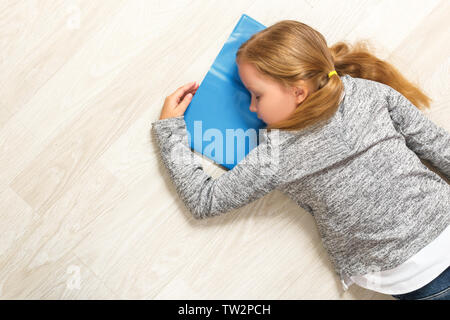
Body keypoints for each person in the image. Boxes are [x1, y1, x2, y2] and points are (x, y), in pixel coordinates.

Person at [151, 20, 450, 300]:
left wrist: (169, 131)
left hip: (409, 274)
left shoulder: (278, 154)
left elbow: (205, 201)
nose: (253, 108)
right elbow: (439, 147)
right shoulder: (370, 93)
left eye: (257, 95)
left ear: (298, 91)